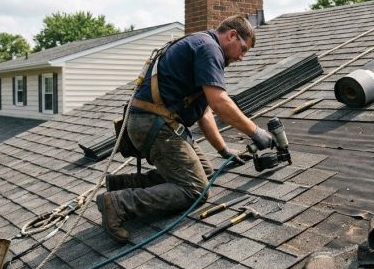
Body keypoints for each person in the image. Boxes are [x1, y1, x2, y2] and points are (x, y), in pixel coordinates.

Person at [96, 14, 276, 242]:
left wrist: (223, 150)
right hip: (155, 126)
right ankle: (119, 204)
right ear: (232, 35)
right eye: (243, 49)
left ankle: (121, 184)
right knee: (196, 190)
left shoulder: (200, 44)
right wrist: (255, 132)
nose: (241, 57)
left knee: (205, 173)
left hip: (154, 122)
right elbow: (219, 102)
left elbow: (204, 111)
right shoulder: (210, 49)